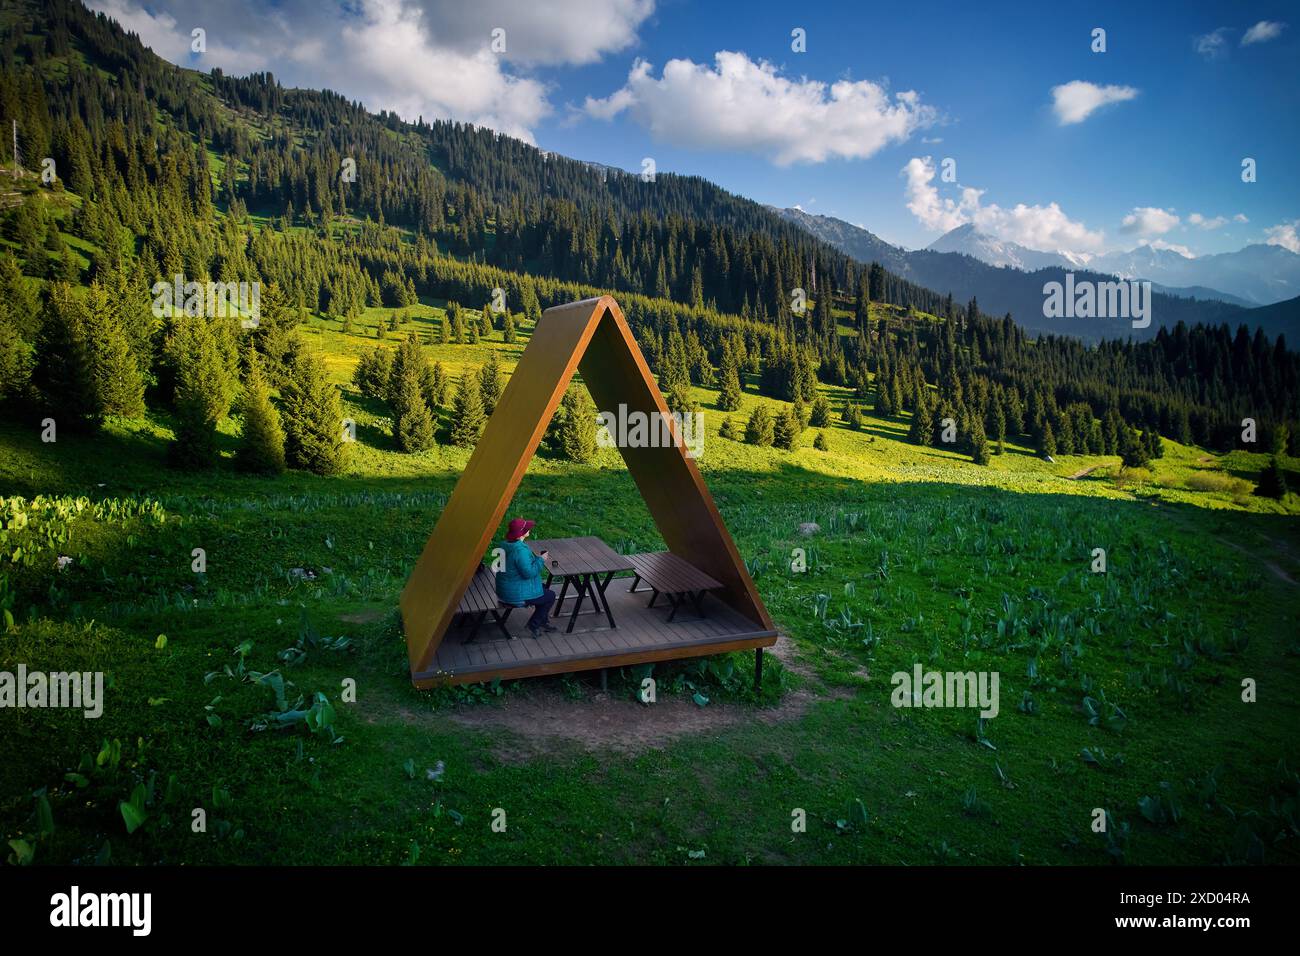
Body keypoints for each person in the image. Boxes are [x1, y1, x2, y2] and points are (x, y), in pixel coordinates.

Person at [496, 518, 557, 636]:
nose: (530, 529)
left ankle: (542, 621)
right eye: (527, 529)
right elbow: (528, 573)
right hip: (513, 595)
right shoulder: (520, 551)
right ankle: (533, 625)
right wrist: (541, 559)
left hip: (504, 588)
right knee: (550, 596)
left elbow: (514, 566)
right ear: (521, 534)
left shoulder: (504, 546)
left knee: (542, 587)